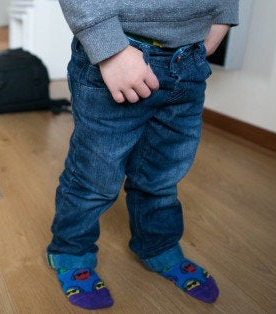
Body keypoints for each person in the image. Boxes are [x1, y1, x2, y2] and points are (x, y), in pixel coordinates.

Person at [47, 0, 239, 310]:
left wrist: (224, 16)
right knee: (95, 177)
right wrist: (110, 48)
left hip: (188, 62)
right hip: (120, 52)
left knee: (162, 175)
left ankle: (157, 246)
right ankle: (70, 251)